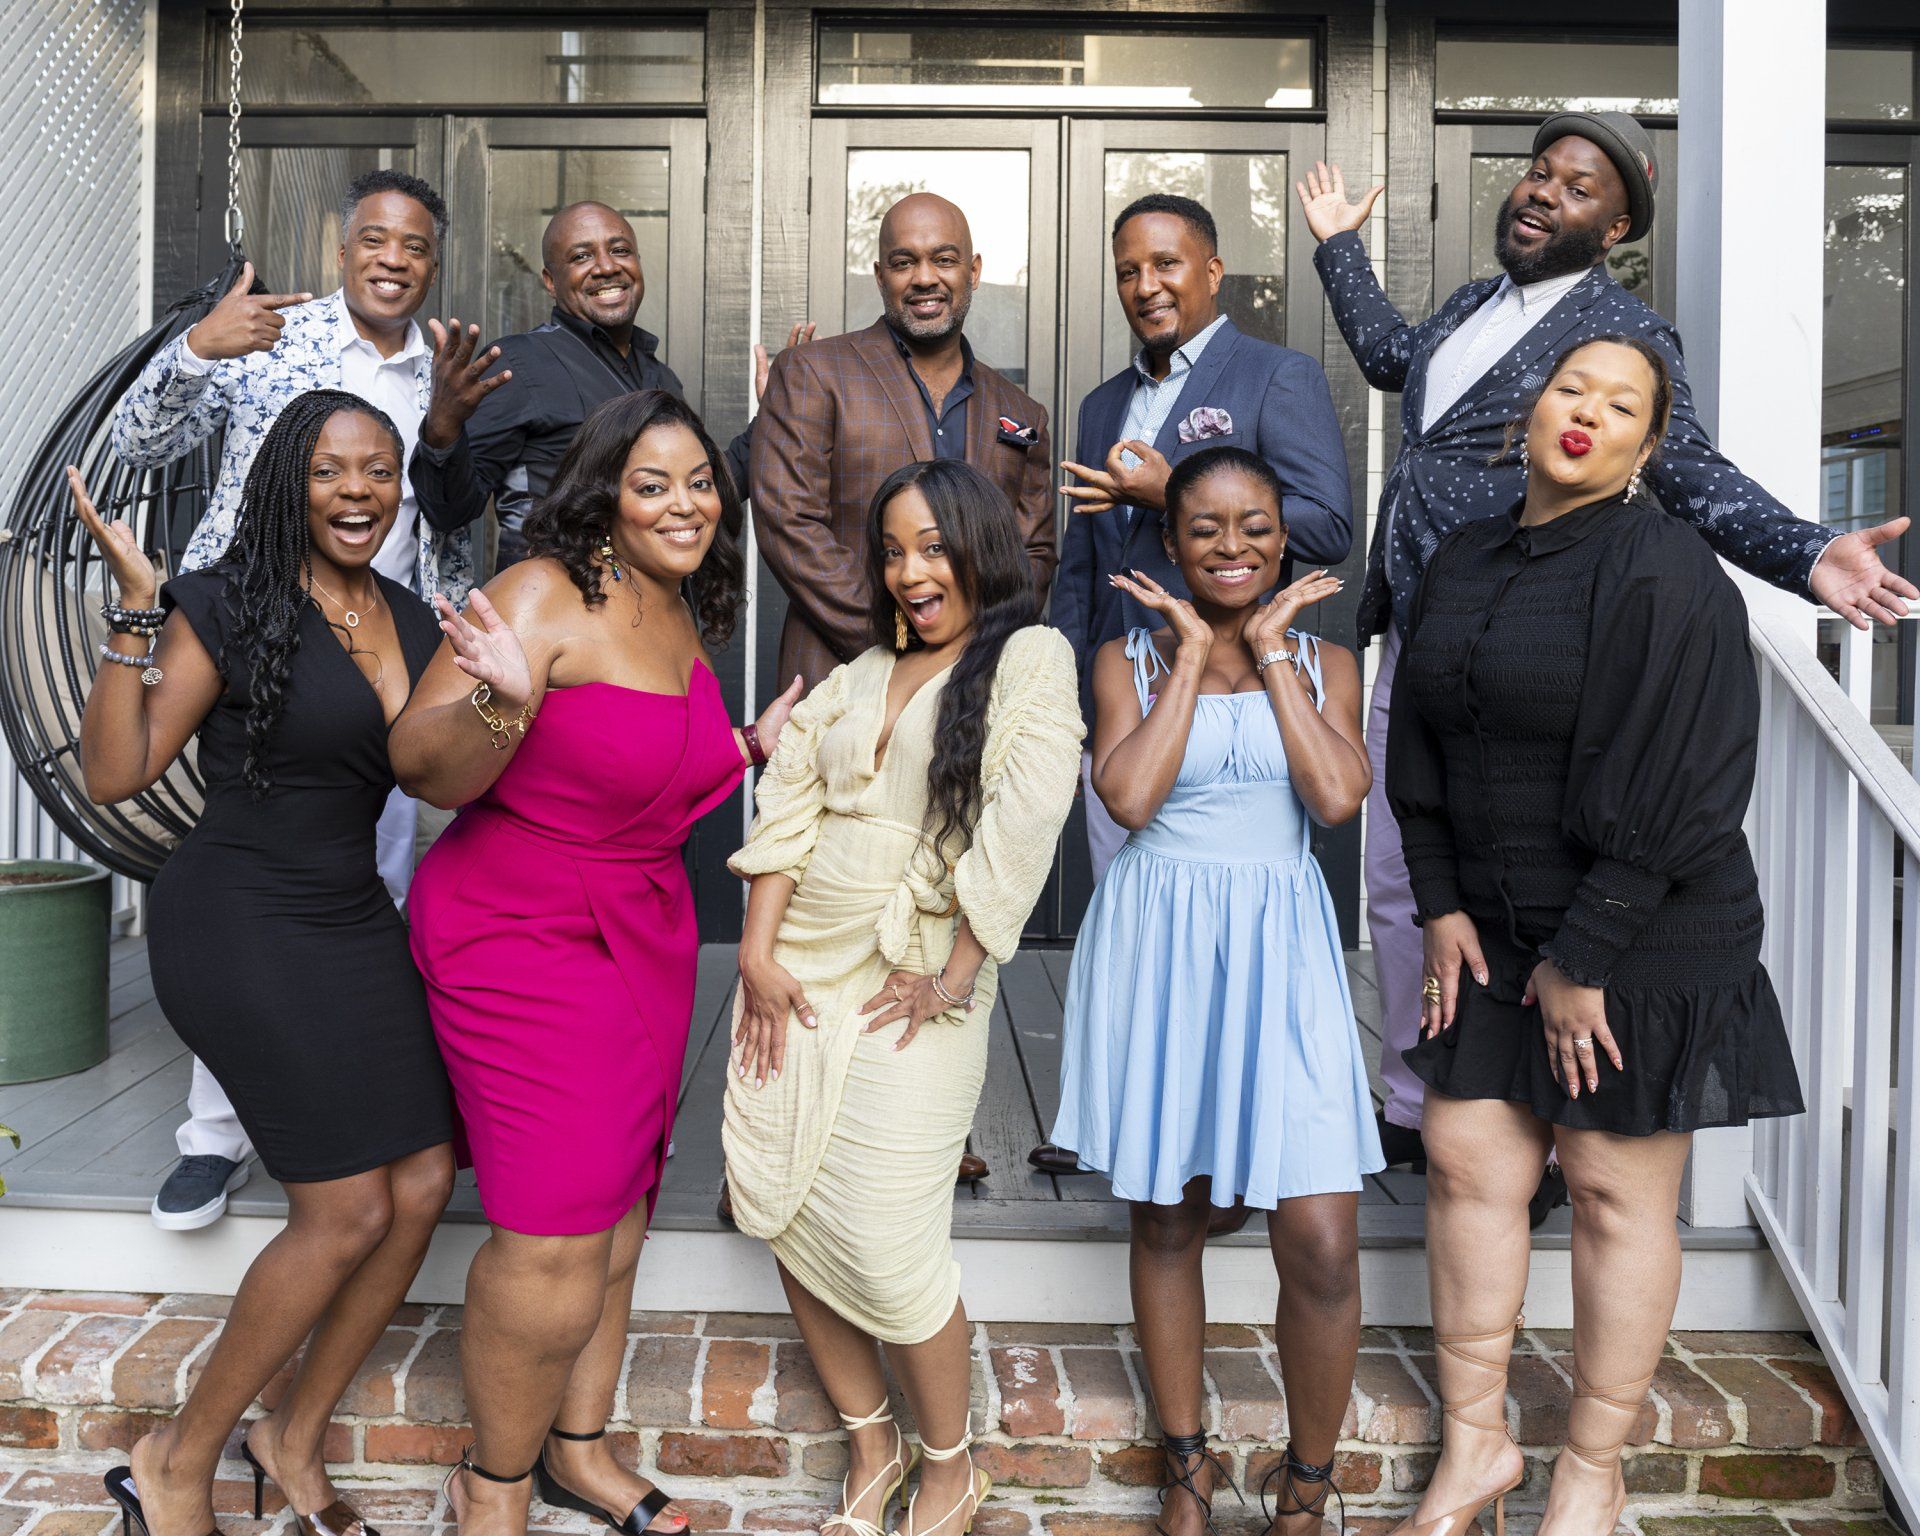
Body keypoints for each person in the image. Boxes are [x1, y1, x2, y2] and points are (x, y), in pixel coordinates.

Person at [1298, 110, 1912, 1192]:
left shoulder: (1622, 330)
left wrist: (1810, 553)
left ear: (1615, 222)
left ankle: (1532, 1133)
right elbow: (1395, 363)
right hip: (1428, 641)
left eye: (1579, 187)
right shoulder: (1470, 307)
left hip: (1541, 661)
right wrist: (1339, 247)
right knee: (1403, 886)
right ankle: (1414, 1095)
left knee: (1523, 895)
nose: (1546, 192)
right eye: (1541, 173)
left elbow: (1690, 470)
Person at [1386, 335, 1803, 1536]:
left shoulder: (1670, 570)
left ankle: (1591, 1467)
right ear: (1529, 411)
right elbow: (1420, 742)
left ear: (1648, 446)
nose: (1589, 414)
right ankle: (1476, 1450)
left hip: (1647, 928)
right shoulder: (1462, 557)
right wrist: (1443, 899)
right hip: (1498, 922)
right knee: (1471, 1157)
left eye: (1622, 406)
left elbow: (1688, 784)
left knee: (1615, 1185)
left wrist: (1584, 961)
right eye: (1573, 389)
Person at [388, 390, 800, 1536]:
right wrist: (498, 701)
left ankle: (577, 1450)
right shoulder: (539, 595)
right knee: (555, 1228)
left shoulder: (677, 612)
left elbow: (636, 774)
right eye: (654, 482)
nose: (685, 503)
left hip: (642, 931)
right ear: (605, 493)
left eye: (701, 482)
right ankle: (495, 1491)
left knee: (619, 1214)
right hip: (520, 932)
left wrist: (748, 747)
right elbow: (423, 764)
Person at [75, 391, 457, 1536]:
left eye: (379, 472)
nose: (357, 492)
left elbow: (442, 775)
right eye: (332, 471)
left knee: (426, 1180)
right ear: (291, 481)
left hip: (348, 910)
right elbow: (117, 770)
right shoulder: (232, 602)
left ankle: (288, 1435)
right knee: (343, 1210)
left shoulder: (411, 616)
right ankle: (176, 1459)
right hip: (237, 914)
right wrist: (137, 617)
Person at [724, 460, 1082, 1536]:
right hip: (801, 968)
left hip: (916, 977)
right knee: (783, 1201)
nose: (909, 571)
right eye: (892, 551)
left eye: (931, 546)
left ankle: (949, 1464)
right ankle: (870, 1440)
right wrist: (753, 952)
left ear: (979, 549)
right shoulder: (857, 669)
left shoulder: (1029, 656)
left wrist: (956, 976)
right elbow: (785, 795)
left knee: (888, 1240)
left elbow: (1025, 821)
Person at [109, 167, 462, 1228]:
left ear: (431, 260)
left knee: (374, 888)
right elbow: (136, 443)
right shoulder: (279, 331)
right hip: (255, 644)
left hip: (389, 651)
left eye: (412, 244)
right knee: (254, 883)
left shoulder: (451, 369)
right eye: (374, 239)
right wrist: (191, 351)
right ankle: (216, 1137)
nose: (393, 258)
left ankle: (354, 1100)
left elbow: (449, 502)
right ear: (343, 247)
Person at [1049, 446, 1381, 1536]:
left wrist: (1274, 658)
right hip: (1162, 948)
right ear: (1171, 541)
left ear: (1285, 538)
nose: (1232, 547)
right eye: (1205, 529)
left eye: (1254, 527)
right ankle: (1186, 1463)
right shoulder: (1125, 661)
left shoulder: (1328, 663)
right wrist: (1191, 661)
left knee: (1324, 1238)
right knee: (1168, 1215)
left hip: (1280, 951)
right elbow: (1131, 800)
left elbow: (1335, 800)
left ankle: (1308, 1481)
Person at [1052, 193, 1353, 881]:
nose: (1145, 286)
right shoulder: (1102, 405)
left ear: (1212, 271)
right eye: (1128, 272)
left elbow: (1330, 523)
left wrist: (1173, 496)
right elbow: (1082, 569)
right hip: (1126, 695)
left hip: (1236, 693)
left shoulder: (1278, 375)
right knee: (1130, 895)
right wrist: (1067, 713)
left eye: (1165, 264)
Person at [754, 193, 1058, 694]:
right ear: (880, 276)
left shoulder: (1023, 413)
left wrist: (974, 656)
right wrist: (902, 646)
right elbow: (790, 524)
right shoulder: (812, 372)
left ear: (973, 271)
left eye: (943, 259)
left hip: (974, 693)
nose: (924, 277)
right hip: (842, 682)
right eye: (903, 262)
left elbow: (1033, 552)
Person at [408, 199, 813, 565]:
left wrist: (774, 414)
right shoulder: (517, 364)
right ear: (550, 281)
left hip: (653, 616)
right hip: (557, 620)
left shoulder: (660, 379)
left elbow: (706, 495)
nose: (606, 266)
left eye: (620, 250)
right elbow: (450, 511)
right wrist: (443, 429)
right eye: (581, 256)